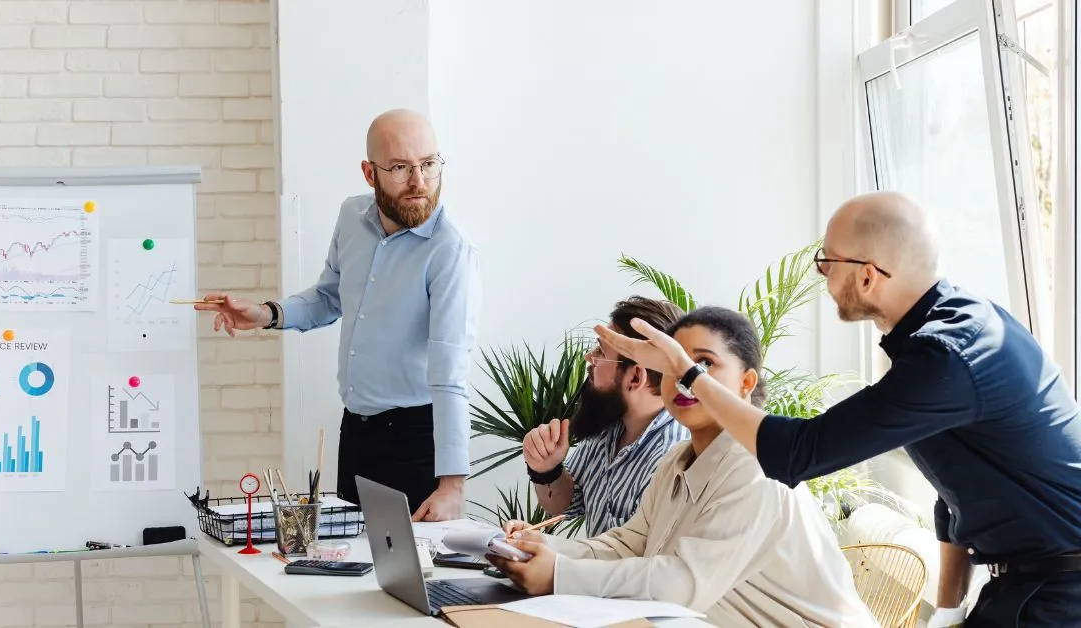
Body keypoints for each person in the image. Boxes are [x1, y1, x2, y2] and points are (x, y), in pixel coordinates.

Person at [594, 191, 1081, 628]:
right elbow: (954, 488)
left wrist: (688, 373)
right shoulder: (940, 339)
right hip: (1024, 585)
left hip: (1059, 592)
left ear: (867, 275)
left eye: (827, 261)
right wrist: (949, 612)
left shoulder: (947, 354)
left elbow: (797, 454)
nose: (822, 275)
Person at [494, 307, 877, 627]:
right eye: (674, 365)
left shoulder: (756, 467)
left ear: (746, 383)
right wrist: (540, 547)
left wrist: (559, 573)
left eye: (704, 364)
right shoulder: (677, 460)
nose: (686, 380)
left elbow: (683, 583)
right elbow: (629, 544)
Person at [196, 109, 480, 522]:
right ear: (370, 173)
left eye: (429, 164)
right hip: (356, 432)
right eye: (400, 167)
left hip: (416, 440)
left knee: (411, 579)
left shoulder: (450, 250)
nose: (419, 181)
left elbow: (450, 372)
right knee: (348, 566)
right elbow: (329, 298)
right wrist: (264, 314)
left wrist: (452, 485)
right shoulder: (353, 217)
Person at [522, 296, 689, 537]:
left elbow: (640, 565)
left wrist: (548, 554)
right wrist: (547, 470)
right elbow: (568, 504)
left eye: (601, 351)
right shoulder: (608, 424)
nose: (589, 358)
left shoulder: (672, 457)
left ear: (634, 378)